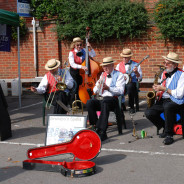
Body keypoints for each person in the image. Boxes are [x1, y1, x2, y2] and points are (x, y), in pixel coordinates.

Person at [145, 52, 184, 145]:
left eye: (168, 63)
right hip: (164, 99)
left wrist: (164, 89)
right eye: (164, 62)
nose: (165, 65)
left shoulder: (182, 75)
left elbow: (179, 94)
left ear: (174, 65)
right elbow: (163, 87)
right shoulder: (164, 73)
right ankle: (166, 128)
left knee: (168, 107)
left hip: (176, 100)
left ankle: (169, 135)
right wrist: (159, 92)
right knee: (149, 113)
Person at [86, 57, 126, 141]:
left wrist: (108, 88)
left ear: (112, 65)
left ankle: (102, 132)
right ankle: (96, 126)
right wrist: (98, 87)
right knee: (90, 102)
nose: (105, 68)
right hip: (103, 99)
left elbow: (120, 91)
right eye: (104, 66)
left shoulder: (119, 75)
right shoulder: (102, 75)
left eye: (107, 66)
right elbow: (94, 90)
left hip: (113, 100)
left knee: (105, 101)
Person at [68, 37, 96, 102]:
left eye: (80, 44)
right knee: (75, 87)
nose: (79, 46)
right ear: (74, 45)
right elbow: (72, 64)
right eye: (77, 45)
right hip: (74, 72)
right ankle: (73, 103)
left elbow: (93, 55)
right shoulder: (71, 53)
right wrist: (81, 67)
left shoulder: (84, 50)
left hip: (83, 72)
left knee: (82, 87)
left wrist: (90, 47)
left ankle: (82, 101)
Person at [116, 48, 142, 113]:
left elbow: (140, 78)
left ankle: (131, 107)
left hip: (132, 83)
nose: (124, 59)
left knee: (130, 86)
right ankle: (121, 105)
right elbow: (115, 77)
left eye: (126, 57)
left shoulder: (136, 64)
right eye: (123, 57)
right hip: (122, 83)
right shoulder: (118, 65)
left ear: (130, 57)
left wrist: (136, 72)